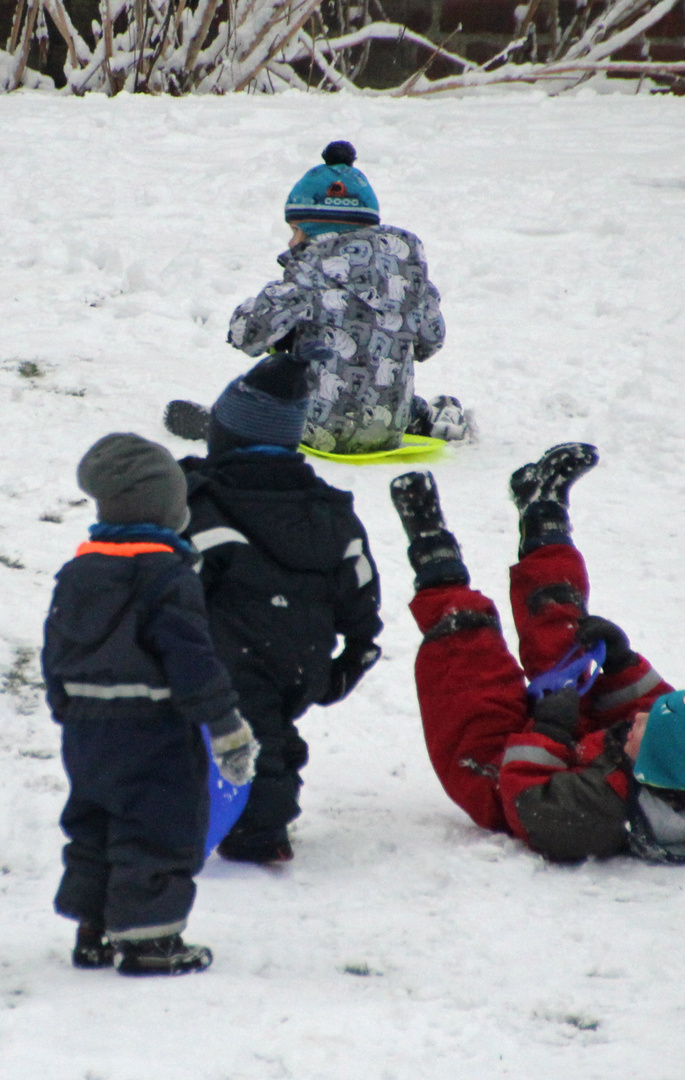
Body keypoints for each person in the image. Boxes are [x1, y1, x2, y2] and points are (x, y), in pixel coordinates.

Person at [388, 444, 685, 864]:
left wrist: (548, 729)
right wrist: (620, 662)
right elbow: (648, 706)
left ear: (651, 762)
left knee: (470, 671)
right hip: (577, 748)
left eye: (647, 726)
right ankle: (542, 508)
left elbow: (526, 796)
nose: (640, 717)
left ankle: (434, 555)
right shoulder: (674, 755)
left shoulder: (592, 814)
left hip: (507, 778)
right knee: (568, 636)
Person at [42, 434, 258, 975]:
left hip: (88, 729)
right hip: (150, 726)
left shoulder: (79, 571)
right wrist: (226, 726)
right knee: (158, 825)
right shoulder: (165, 575)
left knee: (95, 821)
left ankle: (92, 927)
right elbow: (192, 660)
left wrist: (63, 703)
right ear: (166, 510)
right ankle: (148, 939)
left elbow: (56, 645)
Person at [178, 352, 384, 864]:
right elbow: (359, 580)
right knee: (268, 729)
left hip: (231, 659)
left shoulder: (206, 505)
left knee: (251, 737)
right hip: (305, 658)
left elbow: (180, 586)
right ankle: (241, 808)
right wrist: (355, 654)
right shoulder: (329, 513)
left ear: (227, 436)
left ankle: (259, 829)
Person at [168, 141, 463, 455]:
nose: (291, 240)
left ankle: (230, 423)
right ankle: (425, 417)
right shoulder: (410, 278)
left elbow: (248, 335)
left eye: (296, 229)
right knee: (378, 385)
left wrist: (257, 311)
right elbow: (431, 342)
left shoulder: (309, 273)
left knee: (274, 381)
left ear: (319, 229)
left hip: (312, 428)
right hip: (389, 429)